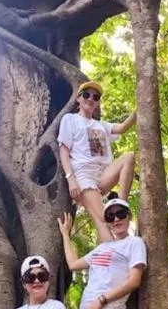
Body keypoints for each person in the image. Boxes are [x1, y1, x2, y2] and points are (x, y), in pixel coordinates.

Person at [58, 81, 136, 242]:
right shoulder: (70, 119)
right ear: (78, 99)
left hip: (103, 173)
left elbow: (122, 128)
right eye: (86, 95)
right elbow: (64, 151)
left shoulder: (101, 125)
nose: (91, 98)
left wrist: (139, 109)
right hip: (84, 175)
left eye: (96, 96)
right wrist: (71, 179)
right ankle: (110, 260)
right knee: (103, 219)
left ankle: (121, 203)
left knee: (128, 157)